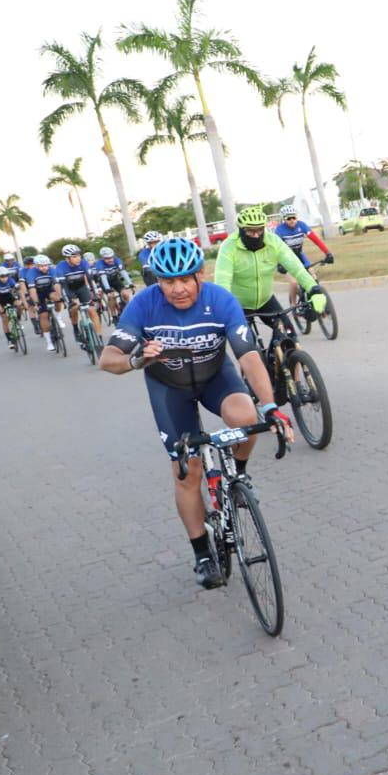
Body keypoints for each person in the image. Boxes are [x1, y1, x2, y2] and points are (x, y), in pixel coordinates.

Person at [99, 238, 292, 589]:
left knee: (247, 419)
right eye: (168, 281)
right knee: (187, 472)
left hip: (215, 377)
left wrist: (271, 407)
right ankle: (202, 554)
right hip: (169, 389)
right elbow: (107, 359)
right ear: (157, 281)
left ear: (200, 274)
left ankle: (239, 475)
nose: (178, 289)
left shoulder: (220, 300)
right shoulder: (143, 305)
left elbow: (248, 356)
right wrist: (136, 359)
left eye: (185, 279)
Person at [214, 206, 326, 332]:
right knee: (245, 343)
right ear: (240, 230)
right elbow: (222, 280)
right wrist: (224, 305)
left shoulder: (273, 241)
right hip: (239, 306)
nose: (256, 235)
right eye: (250, 231)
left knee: (289, 333)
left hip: (266, 301)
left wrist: (313, 289)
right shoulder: (229, 246)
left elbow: (296, 267)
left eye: (259, 230)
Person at [271, 205, 335, 306]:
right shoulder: (280, 230)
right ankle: (293, 305)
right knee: (294, 282)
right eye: (288, 218)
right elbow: (275, 249)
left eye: (294, 217)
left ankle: (314, 299)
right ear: (284, 219)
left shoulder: (302, 225)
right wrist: (279, 263)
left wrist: (328, 253)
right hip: (286, 258)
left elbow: (316, 240)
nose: (292, 220)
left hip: (299, 254)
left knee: (313, 277)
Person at [50, 244, 104, 350]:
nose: (78, 258)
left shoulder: (83, 263)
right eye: (74, 256)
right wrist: (65, 299)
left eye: (79, 255)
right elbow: (62, 285)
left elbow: (90, 279)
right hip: (69, 289)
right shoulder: (61, 266)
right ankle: (76, 329)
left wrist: (95, 293)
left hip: (81, 287)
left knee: (92, 310)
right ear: (67, 258)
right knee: (74, 307)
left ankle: (99, 339)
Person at [26, 254, 65, 352]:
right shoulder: (31, 273)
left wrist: (59, 296)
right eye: (41, 266)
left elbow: (56, 284)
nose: (44, 267)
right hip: (38, 293)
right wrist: (36, 303)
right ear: (36, 266)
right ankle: (49, 342)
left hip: (49, 290)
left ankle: (58, 317)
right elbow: (32, 290)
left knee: (58, 299)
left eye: (46, 265)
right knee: (43, 315)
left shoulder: (52, 270)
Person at [93, 245, 134, 312]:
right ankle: (114, 315)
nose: (110, 260)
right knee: (111, 296)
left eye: (111, 257)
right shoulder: (99, 263)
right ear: (102, 258)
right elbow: (103, 277)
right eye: (107, 258)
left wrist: (130, 284)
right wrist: (108, 290)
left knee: (125, 294)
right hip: (104, 281)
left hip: (114, 279)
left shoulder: (117, 260)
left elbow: (123, 272)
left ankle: (128, 311)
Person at [0, 266, 21, 346]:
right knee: (4, 319)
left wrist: (18, 294)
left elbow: (17, 288)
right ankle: (9, 339)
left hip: (9, 297)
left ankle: (18, 319)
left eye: (6, 276)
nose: (5, 278)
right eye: (2, 277)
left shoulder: (10, 279)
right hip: (0, 299)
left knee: (19, 305)